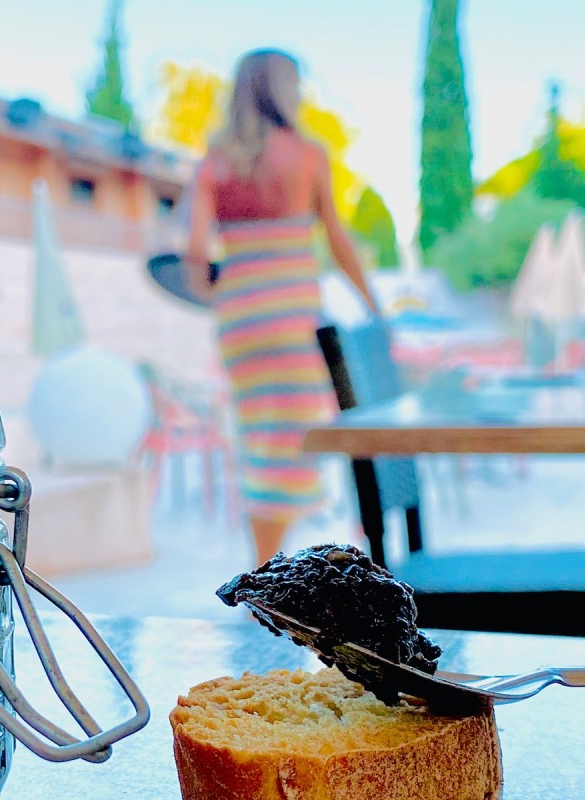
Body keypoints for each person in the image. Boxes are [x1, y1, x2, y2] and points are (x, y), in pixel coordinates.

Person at [185, 48, 382, 565]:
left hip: (242, 320)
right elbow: (339, 242)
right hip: (293, 316)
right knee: (296, 441)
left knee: (259, 439)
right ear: (283, 90)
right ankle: (285, 573)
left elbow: (195, 255)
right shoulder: (308, 154)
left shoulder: (215, 161)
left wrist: (219, 288)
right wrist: (375, 307)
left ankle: (263, 567)